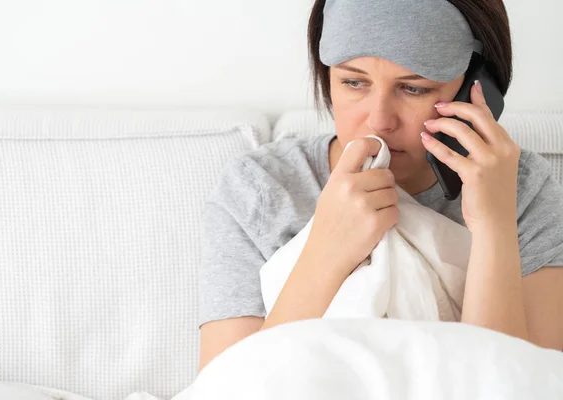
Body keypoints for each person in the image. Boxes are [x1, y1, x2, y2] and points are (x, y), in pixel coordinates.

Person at [197, 0, 563, 372]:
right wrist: (325, 254)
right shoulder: (258, 189)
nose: (379, 120)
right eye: (354, 82)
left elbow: (520, 383)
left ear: (477, 88)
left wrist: (494, 226)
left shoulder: (522, 191)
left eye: (414, 88)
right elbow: (226, 385)